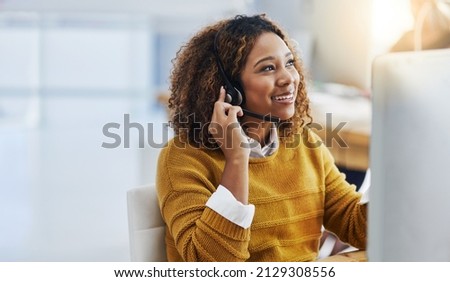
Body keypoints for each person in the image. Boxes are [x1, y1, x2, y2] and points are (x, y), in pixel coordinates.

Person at [156, 14, 367, 262]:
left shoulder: (304, 144)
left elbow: (355, 225)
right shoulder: (183, 158)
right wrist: (236, 159)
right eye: (267, 68)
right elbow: (211, 266)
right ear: (228, 89)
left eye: (289, 63)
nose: (289, 78)